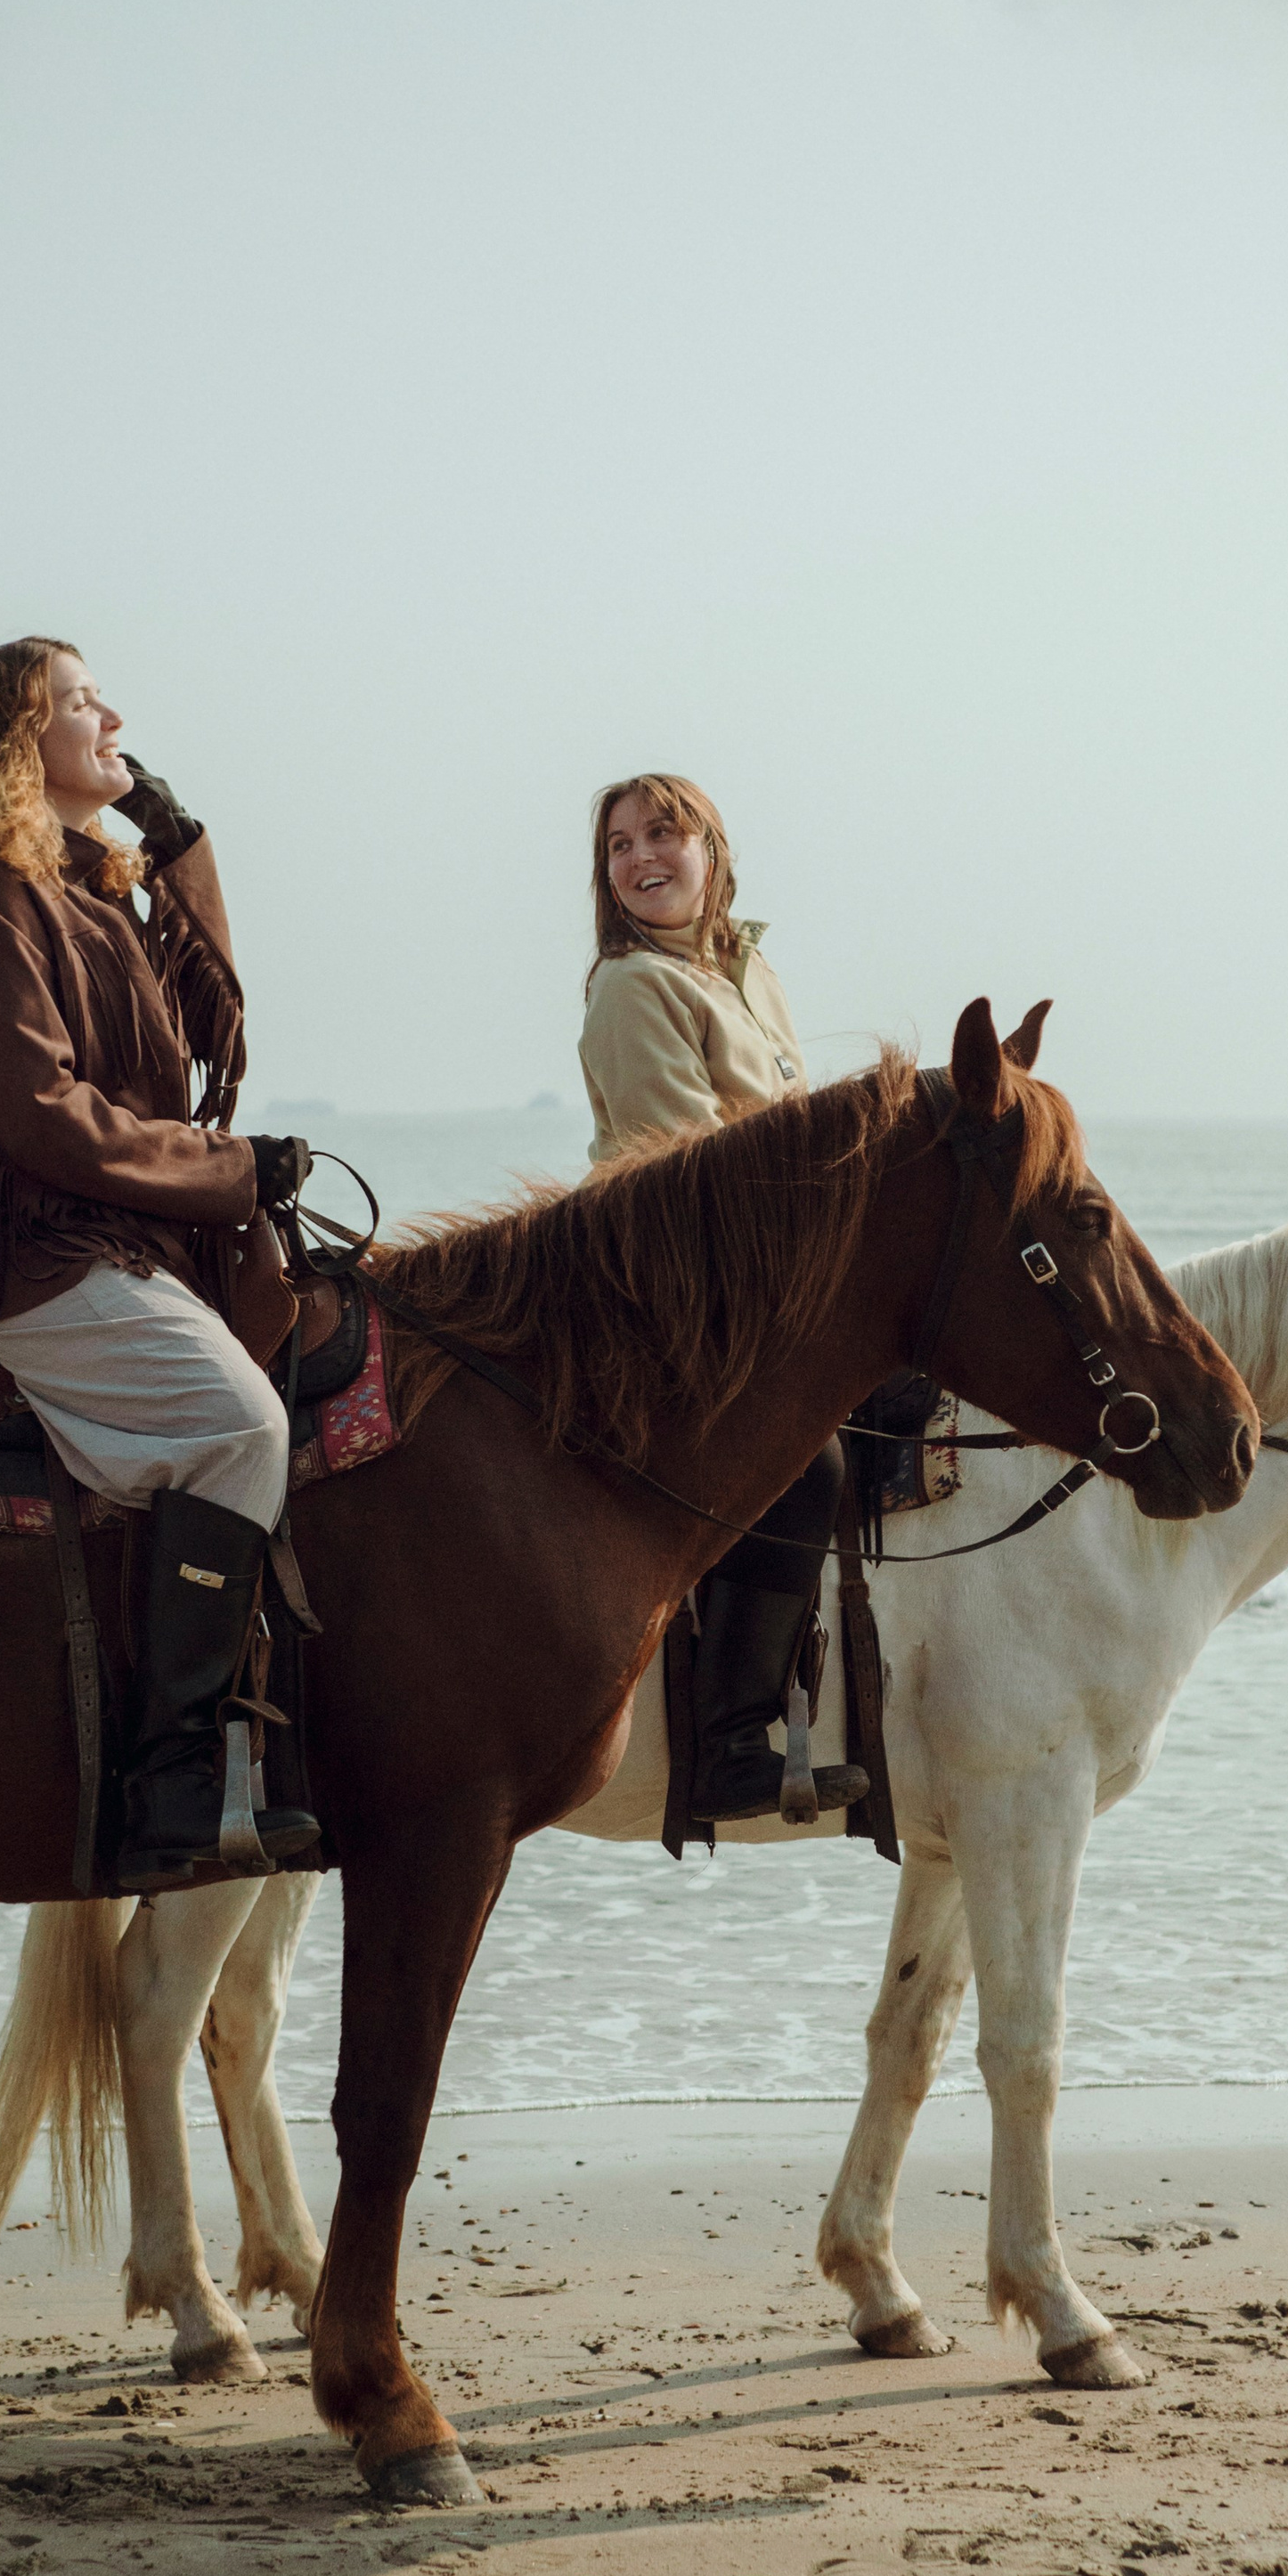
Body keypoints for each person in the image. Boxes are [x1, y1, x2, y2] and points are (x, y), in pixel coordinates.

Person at [0, 634, 317, 1889]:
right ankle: (172, 1775)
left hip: (127, 1233)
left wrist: (179, 843)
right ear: (24, 742)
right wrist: (236, 1176)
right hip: (31, 1250)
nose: (115, 715)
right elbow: (40, 1118)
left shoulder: (96, 887)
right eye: (82, 702)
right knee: (240, 1424)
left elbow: (216, 1022)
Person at [579, 773, 867, 1824]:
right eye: (618, 845)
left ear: (714, 850)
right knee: (800, 1462)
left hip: (763, 1271)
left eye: (664, 832)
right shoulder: (632, 986)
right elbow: (688, 1172)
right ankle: (732, 1740)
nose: (642, 857)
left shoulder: (747, 969)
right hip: (668, 1281)